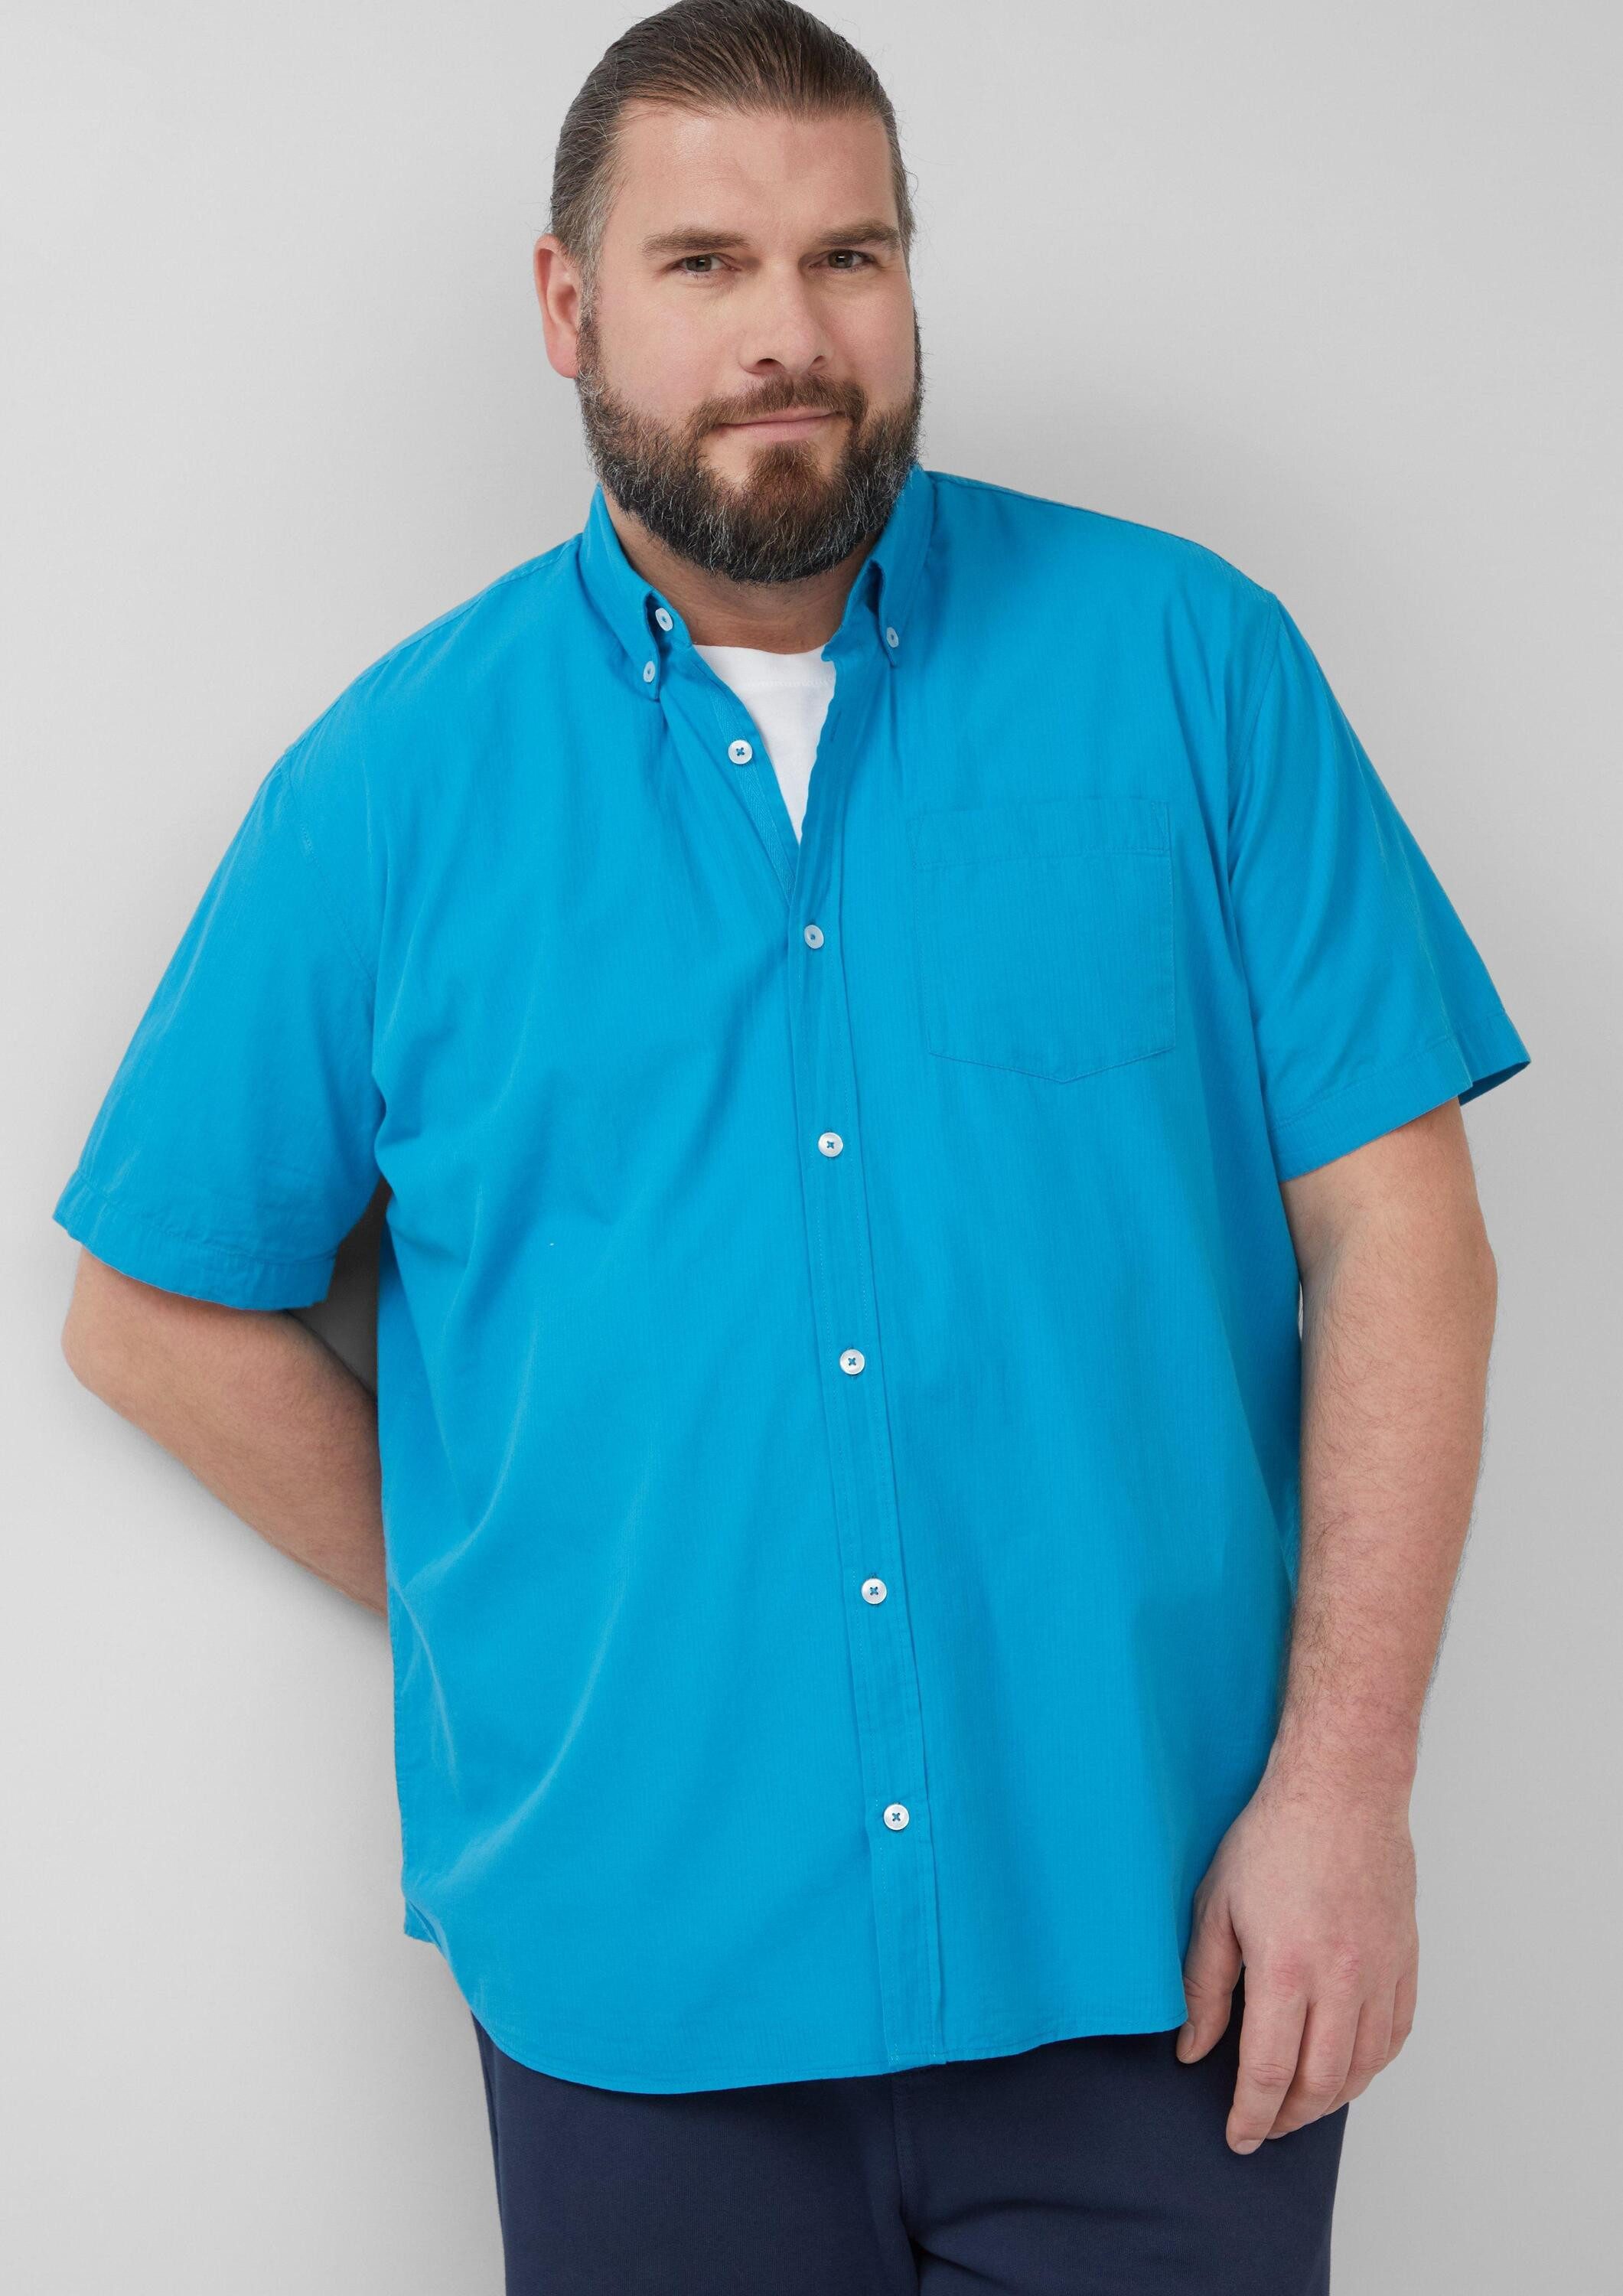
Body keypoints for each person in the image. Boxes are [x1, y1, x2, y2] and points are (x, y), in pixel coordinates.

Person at [53, 3, 1530, 2289]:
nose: (790, 334)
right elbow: (150, 1309)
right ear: (568, 306)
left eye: (850, 255)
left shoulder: (1191, 667)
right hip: (634, 1980)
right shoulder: (390, 791)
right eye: (706, 263)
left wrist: (1344, 1789)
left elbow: (1402, 1233)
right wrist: (517, 1594)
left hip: (1159, 1956)